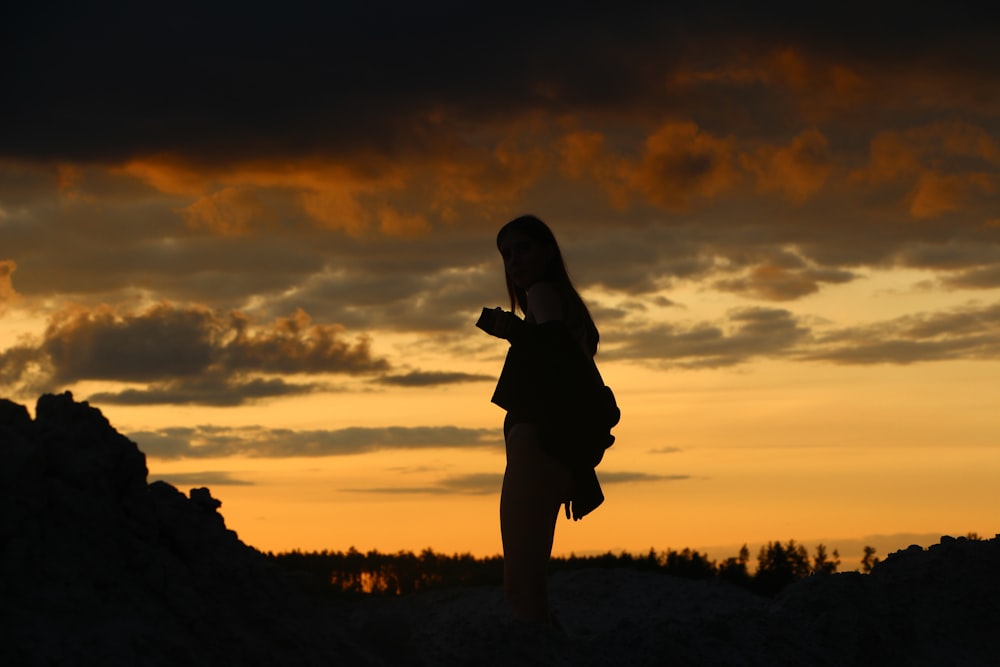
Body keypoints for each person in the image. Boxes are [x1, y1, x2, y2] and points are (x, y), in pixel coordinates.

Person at [477, 214, 618, 626]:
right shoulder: (558, 304)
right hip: (550, 450)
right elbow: (563, 362)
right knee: (529, 583)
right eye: (506, 254)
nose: (513, 261)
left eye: (522, 248)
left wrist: (516, 334)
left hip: (534, 448)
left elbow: (554, 356)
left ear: (548, 252)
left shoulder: (541, 293)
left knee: (521, 589)